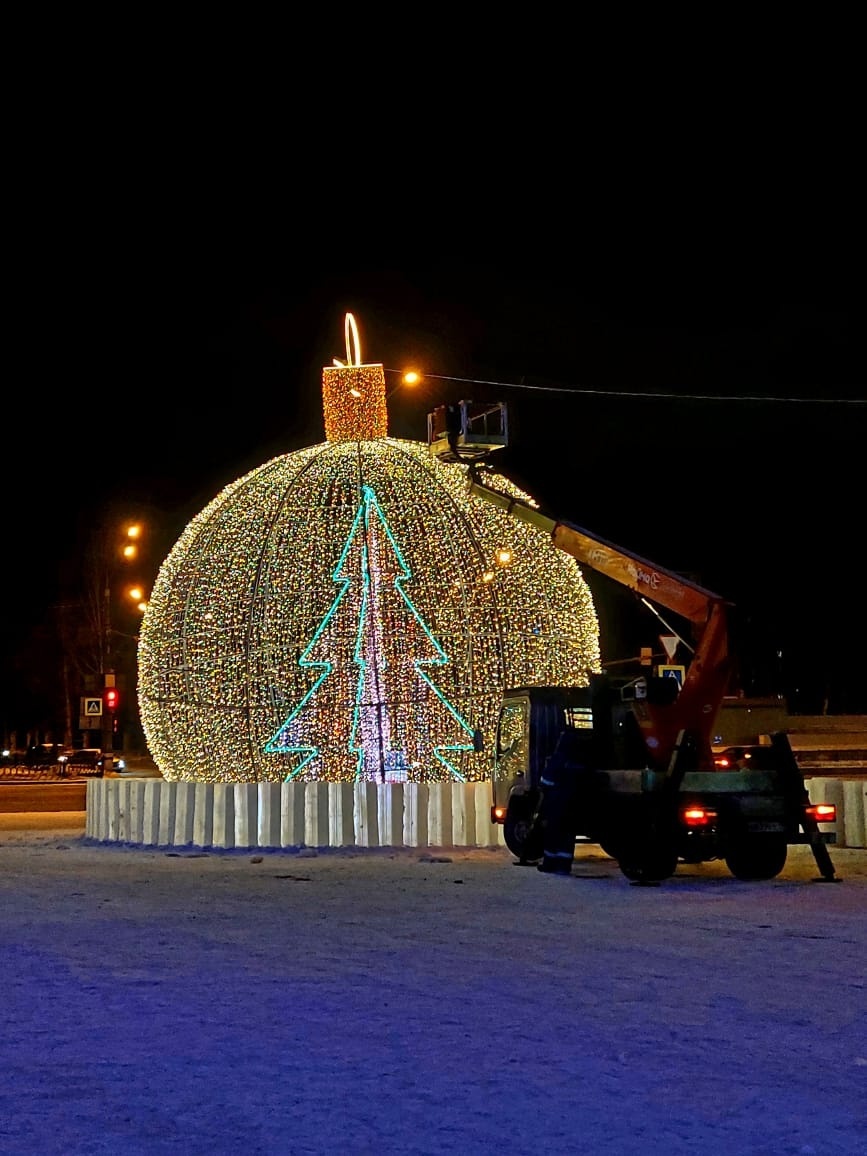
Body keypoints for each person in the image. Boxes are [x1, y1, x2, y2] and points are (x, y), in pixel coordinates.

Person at [536, 727, 588, 875]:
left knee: (553, 833)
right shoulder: (579, 760)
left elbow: (546, 780)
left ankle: (550, 864)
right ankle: (564, 866)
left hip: (556, 803)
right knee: (567, 835)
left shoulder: (559, 758)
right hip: (573, 804)